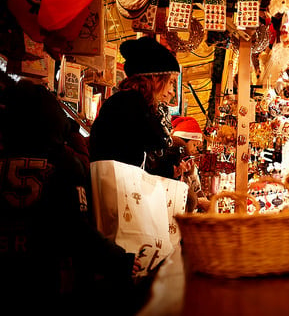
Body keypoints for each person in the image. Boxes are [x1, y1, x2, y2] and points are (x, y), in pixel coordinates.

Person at [0, 71, 140, 315]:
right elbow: (76, 230)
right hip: (44, 280)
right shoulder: (64, 163)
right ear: (53, 121)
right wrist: (119, 260)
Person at [89, 36, 180, 174]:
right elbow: (155, 139)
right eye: (171, 82)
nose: (172, 92)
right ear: (155, 78)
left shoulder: (132, 101)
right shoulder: (129, 103)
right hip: (116, 187)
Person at [171, 116, 210, 212]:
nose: (195, 150)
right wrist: (198, 202)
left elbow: (196, 188)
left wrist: (202, 200)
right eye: (194, 145)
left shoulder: (192, 165)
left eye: (197, 146)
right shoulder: (170, 163)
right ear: (182, 141)